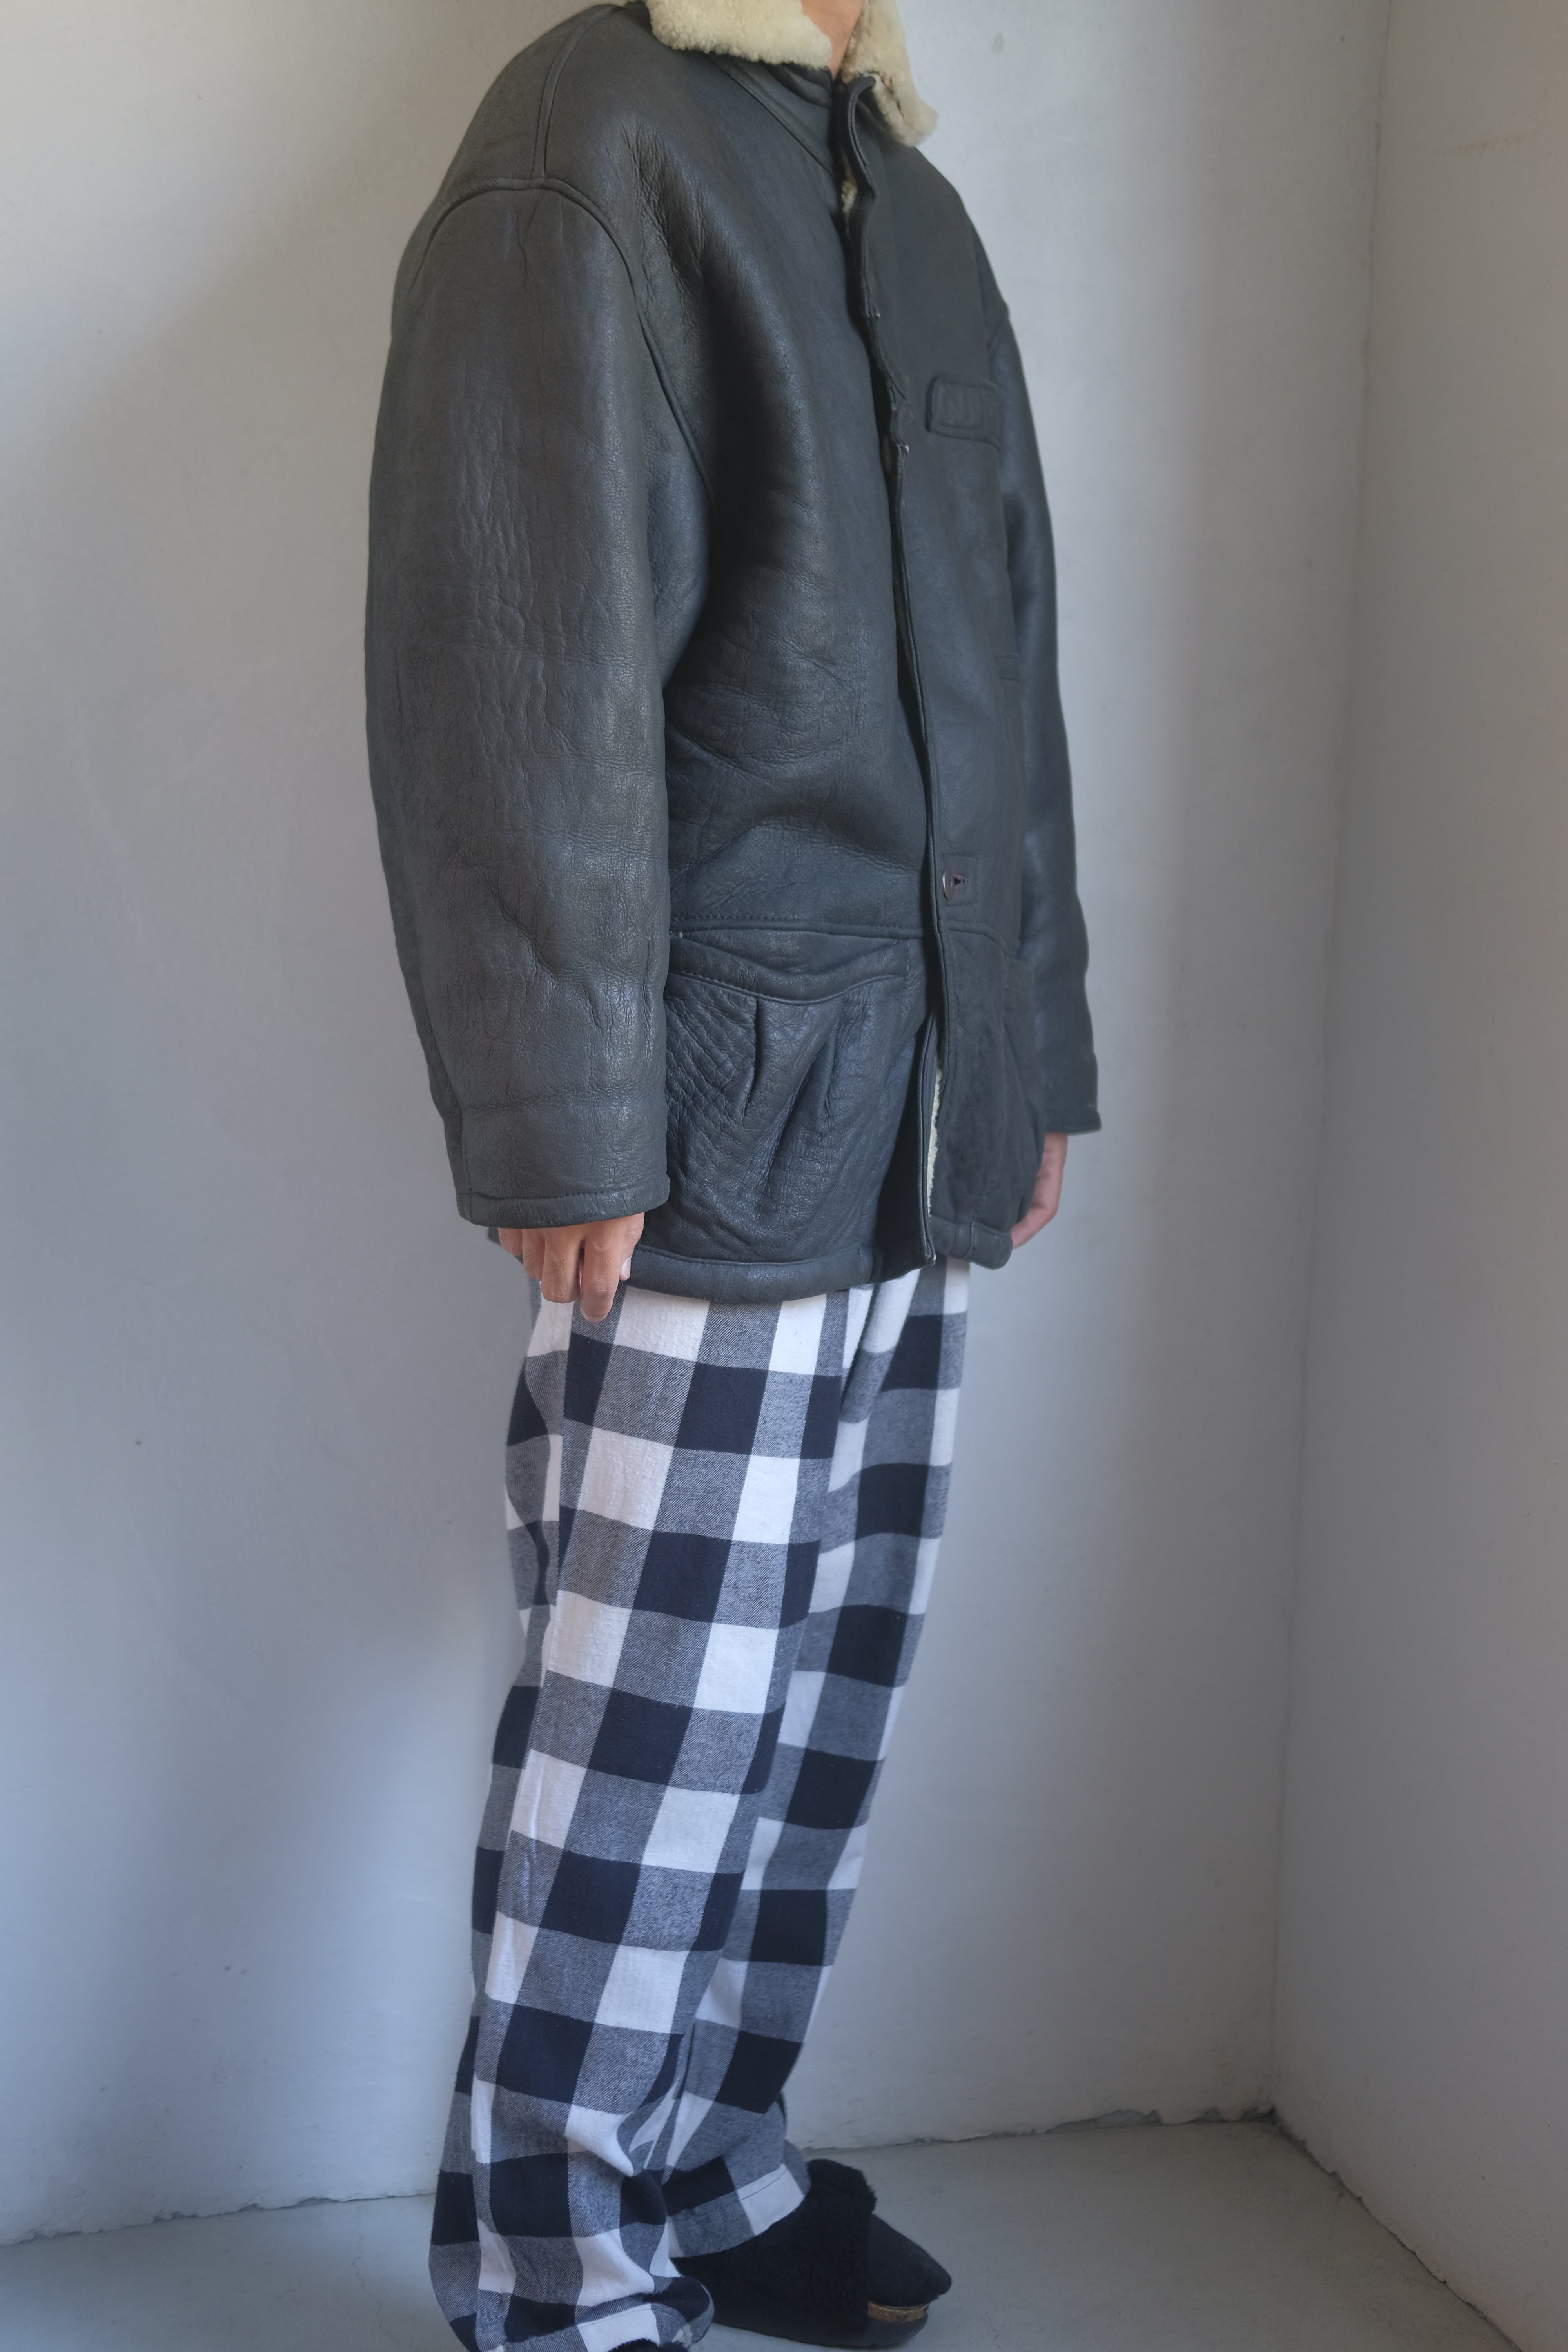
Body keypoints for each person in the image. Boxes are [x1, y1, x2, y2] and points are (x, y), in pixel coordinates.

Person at [365, 1, 1097, 2344]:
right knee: (650, 1750)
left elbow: (1005, 665)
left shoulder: (910, 195)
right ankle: (557, 2274)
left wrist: (1028, 1051)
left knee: (812, 1708)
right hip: (704, 1112)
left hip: (908, 1101)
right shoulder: (595, 136)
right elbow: (512, 653)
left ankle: (710, 2171)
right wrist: (559, 1102)